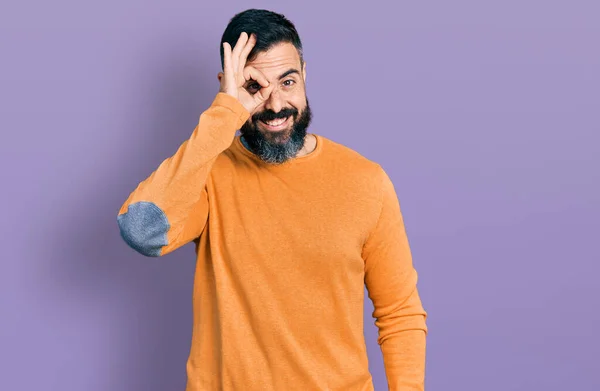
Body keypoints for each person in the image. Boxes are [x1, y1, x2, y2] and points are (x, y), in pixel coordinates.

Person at [117, 8, 428, 391]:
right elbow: (141, 231)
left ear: (305, 75)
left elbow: (400, 313)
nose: (276, 104)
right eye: (254, 87)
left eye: (287, 81)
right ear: (228, 87)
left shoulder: (366, 181)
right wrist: (223, 115)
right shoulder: (208, 173)